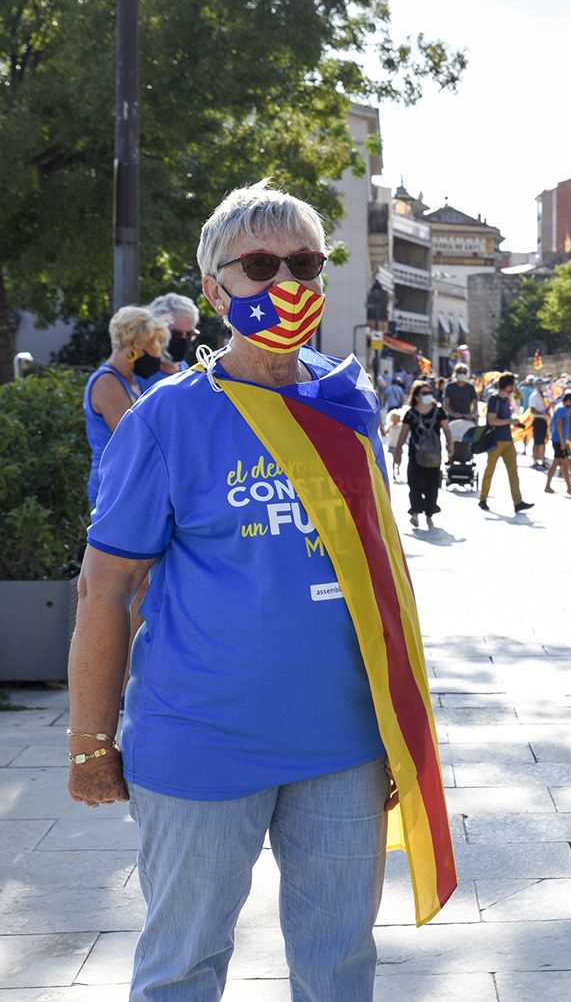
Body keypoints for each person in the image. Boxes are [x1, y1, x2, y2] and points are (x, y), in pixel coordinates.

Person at [66, 180, 454, 1000]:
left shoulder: (349, 405)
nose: (288, 282)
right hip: (202, 740)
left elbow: (383, 573)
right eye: (261, 264)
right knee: (183, 966)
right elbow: (104, 591)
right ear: (215, 290)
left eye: (306, 263)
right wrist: (91, 741)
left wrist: (399, 720)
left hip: (342, 743)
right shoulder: (166, 419)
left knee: (339, 965)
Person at [84, 306, 169, 508]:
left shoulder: (128, 381)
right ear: (133, 346)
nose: (158, 356)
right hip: (111, 491)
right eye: (153, 347)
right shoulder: (107, 383)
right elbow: (134, 438)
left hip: (125, 488)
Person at [392, 380, 445, 529]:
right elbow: (403, 434)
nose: (428, 395)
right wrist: (398, 453)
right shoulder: (410, 414)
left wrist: (451, 444)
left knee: (433, 484)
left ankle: (429, 512)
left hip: (434, 453)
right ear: (416, 396)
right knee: (414, 483)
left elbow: (447, 429)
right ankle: (415, 512)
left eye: (430, 393)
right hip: (415, 454)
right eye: (424, 393)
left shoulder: (439, 411)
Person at [478, 373, 533, 515]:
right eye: (513, 385)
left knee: (513, 472)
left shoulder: (507, 400)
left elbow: (505, 418)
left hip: (508, 440)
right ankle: (483, 499)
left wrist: (514, 421)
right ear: (508, 386)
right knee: (490, 470)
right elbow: (492, 420)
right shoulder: (494, 400)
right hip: (496, 440)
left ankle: (518, 502)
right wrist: (510, 421)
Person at [147, 292, 201, 373]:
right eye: (176, 334)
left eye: (189, 334)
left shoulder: (183, 368)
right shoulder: (133, 375)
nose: (183, 340)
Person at [544, 391, 571, 495]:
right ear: (568, 400)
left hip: (559, 440)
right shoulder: (562, 409)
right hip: (559, 441)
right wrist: (563, 440)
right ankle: (548, 486)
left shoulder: (560, 407)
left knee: (564, 464)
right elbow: (559, 425)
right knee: (558, 463)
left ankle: (569, 487)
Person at [523, 375, 551, 466]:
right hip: (538, 420)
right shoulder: (534, 396)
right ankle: (535, 460)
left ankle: (542, 459)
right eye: (538, 384)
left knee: (542, 442)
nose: (540, 386)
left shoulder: (543, 395)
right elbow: (532, 409)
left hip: (543, 421)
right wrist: (542, 413)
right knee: (537, 442)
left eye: (541, 384)